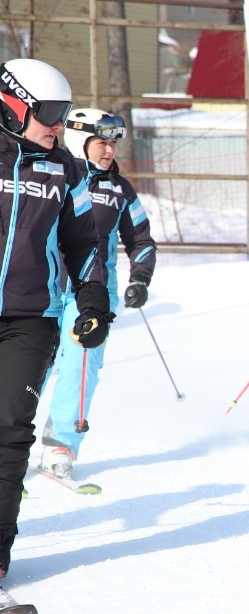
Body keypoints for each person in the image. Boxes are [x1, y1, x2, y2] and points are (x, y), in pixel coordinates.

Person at [0, 58, 111, 579]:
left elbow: (84, 242)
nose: (58, 125)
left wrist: (92, 298)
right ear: (13, 105)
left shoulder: (66, 169)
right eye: (48, 113)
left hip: (30, 319)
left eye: (64, 114)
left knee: (9, 435)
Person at [39, 109, 156, 478]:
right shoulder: (50, 174)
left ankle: (61, 444)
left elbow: (140, 238)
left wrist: (140, 276)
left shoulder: (119, 188)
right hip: (41, 286)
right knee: (30, 364)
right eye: (102, 143)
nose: (109, 151)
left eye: (112, 144)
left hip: (94, 291)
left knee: (80, 364)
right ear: (79, 141)